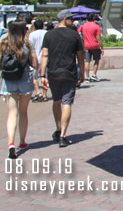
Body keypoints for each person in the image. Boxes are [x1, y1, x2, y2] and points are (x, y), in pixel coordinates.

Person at [39, 9, 85, 148]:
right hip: (69, 73)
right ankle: (63, 136)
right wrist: (82, 73)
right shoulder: (74, 35)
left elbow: (45, 55)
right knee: (67, 103)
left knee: (56, 101)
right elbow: (80, 56)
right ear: (64, 19)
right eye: (71, 18)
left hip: (53, 72)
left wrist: (42, 75)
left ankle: (58, 129)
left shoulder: (48, 35)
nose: (73, 21)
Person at [0, 20, 38, 158]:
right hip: (25, 79)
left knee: (12, 113)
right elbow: (34, 63)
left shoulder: (3, 43)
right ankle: (22, 142)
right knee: (23, 112)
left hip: (8, 80)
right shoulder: (27, 43)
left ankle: (11, 143)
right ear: (23, 30)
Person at [77, 13, 103, 82]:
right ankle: (94, 75)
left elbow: (78, 33)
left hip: (86, 46)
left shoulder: (83, 26)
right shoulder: (96, 26)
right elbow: (99, 38)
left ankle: (87, 77)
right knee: (96, 60)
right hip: (95, 46)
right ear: (93, 18)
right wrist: (102, 48)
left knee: (87, 61)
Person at [27, 20, 48, 102]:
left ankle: (38, 92)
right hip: (45, 57)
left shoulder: (32, 35)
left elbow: (30, 47)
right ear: (43, 25)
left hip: (34, 57)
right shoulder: (47, 33)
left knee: (34, 77)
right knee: (44, 76)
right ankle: (45, 95)